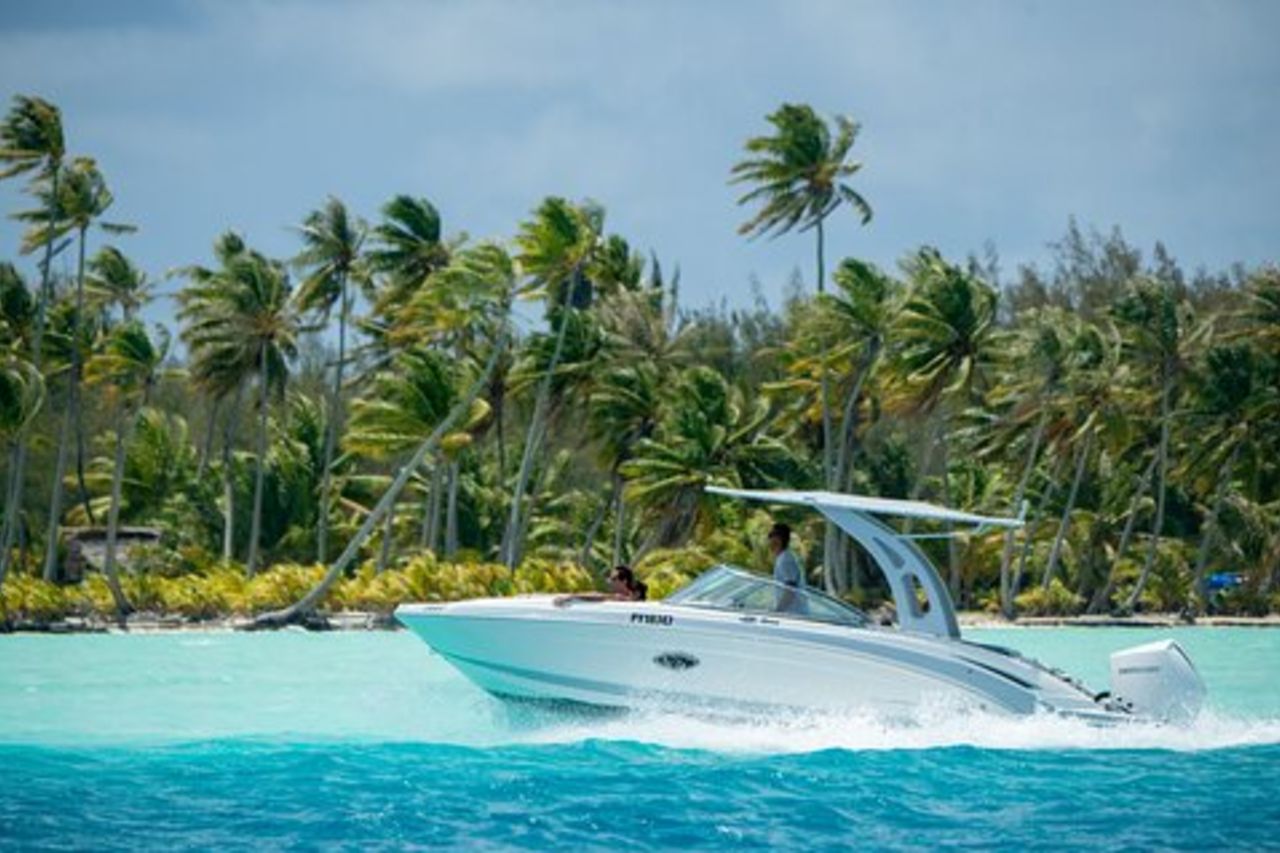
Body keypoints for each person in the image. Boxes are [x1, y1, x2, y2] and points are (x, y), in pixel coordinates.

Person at [554, 565, 647, 606]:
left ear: (624, 581)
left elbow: (598, 596)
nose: (609, 582)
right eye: (609, 578)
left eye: (613, 579)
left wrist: (572, 597)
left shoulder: (625, 598)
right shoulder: (630, 597)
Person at [768, 522, 807, 614]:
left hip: (794, 614)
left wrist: (777, 612)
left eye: (772, 538)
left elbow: (790, 590)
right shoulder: (783, 557)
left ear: (778, 541)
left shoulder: (786, 559)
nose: (769, 542)